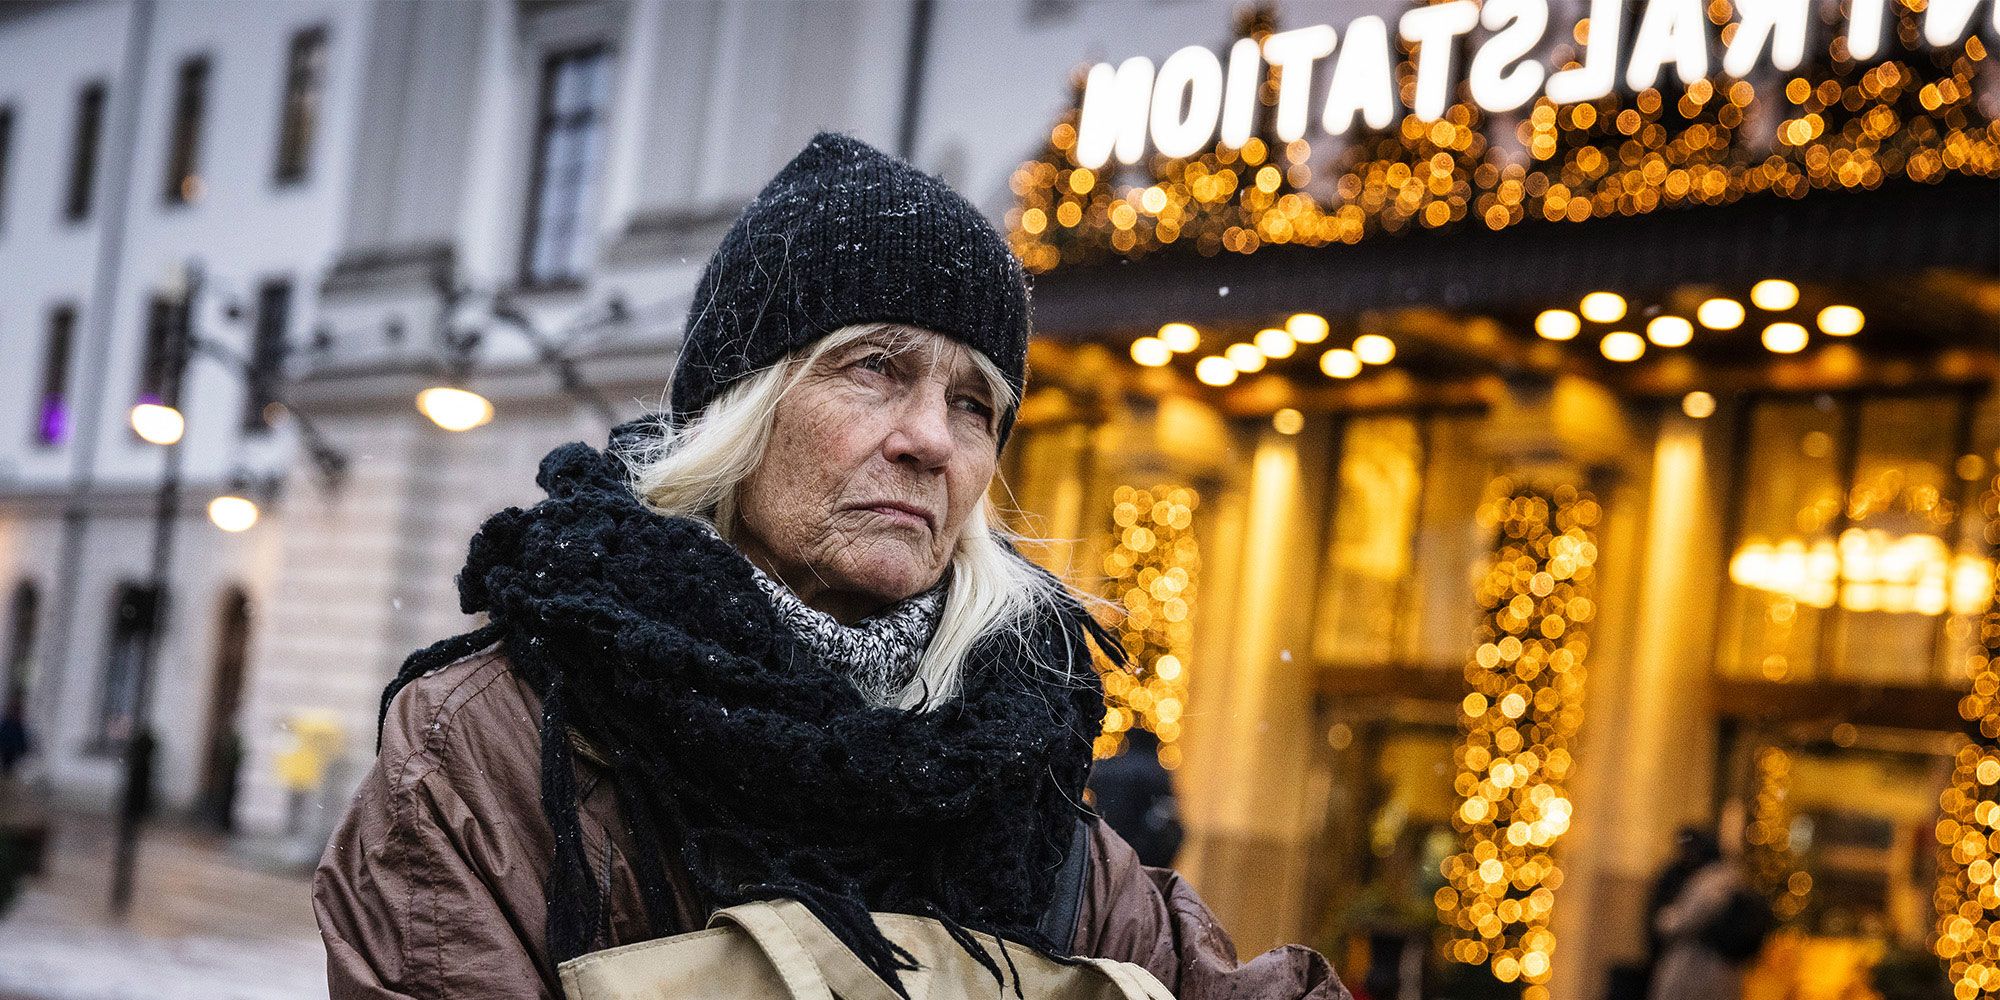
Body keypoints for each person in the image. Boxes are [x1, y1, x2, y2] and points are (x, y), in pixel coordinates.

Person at [314, 132, 1349, 1000]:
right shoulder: (491, 749)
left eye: (970, 402)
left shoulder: (1013, 772)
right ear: (743, 410)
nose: (930, 441)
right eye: (874, 368)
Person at [1088, 727, 1184, 868]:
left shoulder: (1108, 766)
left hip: (1105, 841)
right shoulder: (1154, 770)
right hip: (1141, 847)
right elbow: (1165, 806)